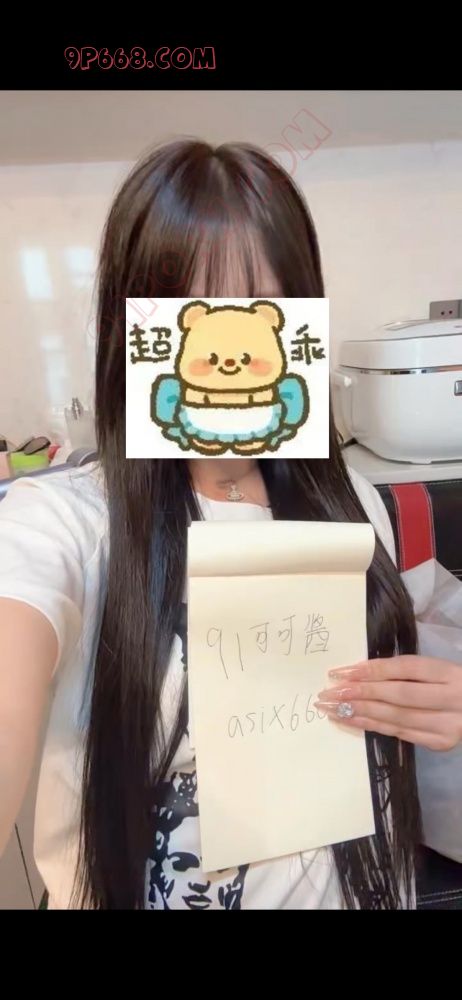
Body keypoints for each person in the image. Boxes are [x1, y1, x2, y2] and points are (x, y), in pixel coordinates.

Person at [0, 139, 460, 910]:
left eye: (261, 307)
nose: (226, 342)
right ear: (131, 333)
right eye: (188, 310)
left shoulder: (351, 500)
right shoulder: (65, 524)